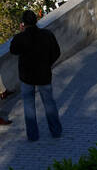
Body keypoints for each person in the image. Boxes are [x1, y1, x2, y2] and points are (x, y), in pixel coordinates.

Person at [9, 10, 63, 141]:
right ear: (36, 21)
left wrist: (21, 33)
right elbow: (56, 52)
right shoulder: (47, 35)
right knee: (49, 103)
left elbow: (13, 50)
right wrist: (47, 64)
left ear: (23, 23)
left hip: (26, 77)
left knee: (29, 106)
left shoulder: (20, 38)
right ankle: (56, 131)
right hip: (44, 74)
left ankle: (33, 135)